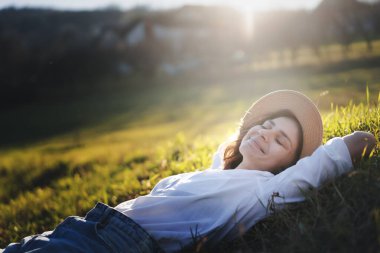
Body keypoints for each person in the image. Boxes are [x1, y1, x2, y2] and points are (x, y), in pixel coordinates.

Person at [2, 90, 376, 253]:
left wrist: (327, 145)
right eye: (266, 125)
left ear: (287, 166)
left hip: (111, 245)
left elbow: (356, 143)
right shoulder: (218, 173)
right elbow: (231, 144)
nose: (266, 135)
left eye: (281, 140)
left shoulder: (262, 191)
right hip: (82, 227)